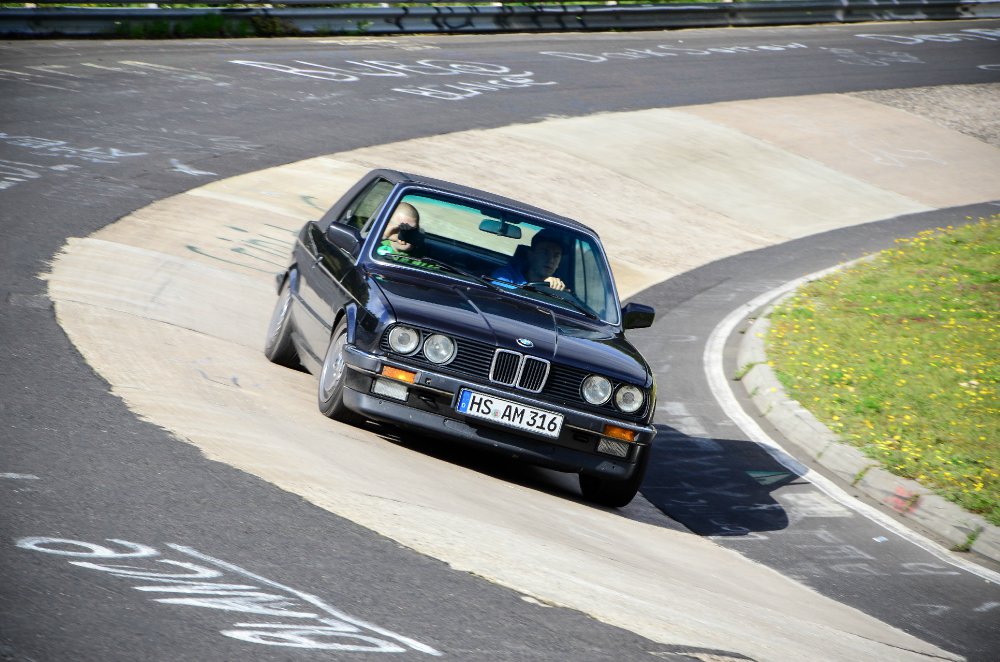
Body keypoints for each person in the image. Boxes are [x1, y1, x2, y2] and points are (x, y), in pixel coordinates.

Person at [492, 228, 566, 291]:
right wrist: (541, 287)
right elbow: (501, 293)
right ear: (530, 255)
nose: (551, 260)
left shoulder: (559, 287)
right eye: (544, 253)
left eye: (556, 256)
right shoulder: (505, 275)